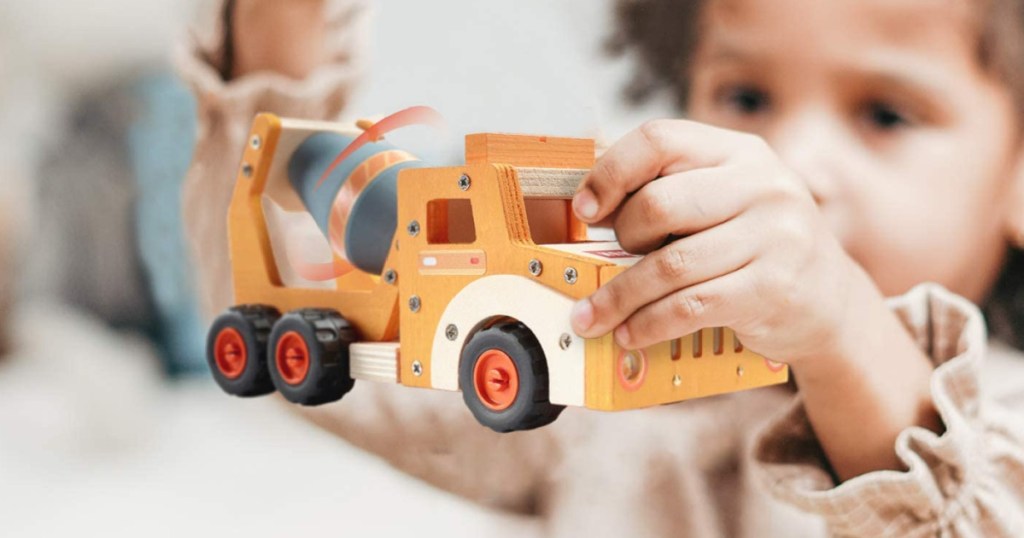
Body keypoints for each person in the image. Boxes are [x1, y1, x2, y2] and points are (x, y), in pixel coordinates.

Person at [179, 0, 1024, 536]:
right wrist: (276, 28)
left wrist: (841, 322)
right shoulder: (600, 382)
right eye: (745, 98)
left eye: (886, 113)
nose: (790, 158)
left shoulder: (1007, 430)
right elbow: (287, 341)